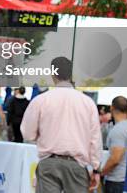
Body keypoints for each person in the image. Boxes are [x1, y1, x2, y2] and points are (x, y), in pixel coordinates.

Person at [21, 56, 102, 192]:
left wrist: (43, 135)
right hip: (77, 165)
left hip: (49, 163)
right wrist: (96, 169)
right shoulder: (87, 103)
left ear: (53, 74)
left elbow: (27, 133)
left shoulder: (41, 100)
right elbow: (95, 140)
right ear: (71, 75)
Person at [100, 97, 127, 193]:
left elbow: (115, 158)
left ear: (112, 108)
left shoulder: (118, 130)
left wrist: (101, 173)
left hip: (116, 180)